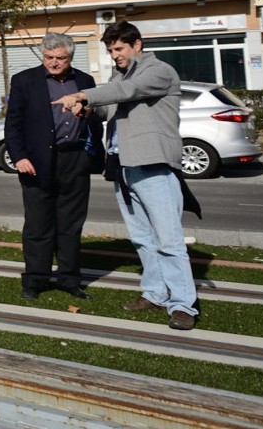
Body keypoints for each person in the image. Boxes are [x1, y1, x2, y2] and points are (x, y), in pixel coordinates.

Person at [54, 22, 198, 331]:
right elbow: (110, 109)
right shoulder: (119, 76)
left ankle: (183, 304)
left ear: (138, 45)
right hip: (123, 165)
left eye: (118, 49)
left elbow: (126, 91)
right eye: (109, 51)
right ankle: (156, 293)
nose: (114, 55)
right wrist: (88, 110)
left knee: (169, 240)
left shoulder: (157, 71)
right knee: (143, 238)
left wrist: (83, 94)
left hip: (153, 164)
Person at [4, 34, 100, 300]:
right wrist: (19, 157)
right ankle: (35, 280)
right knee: (38, 224)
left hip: (75, 159)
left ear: (70, 57)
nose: (54, 63)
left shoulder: (85, 82)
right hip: (36, 163)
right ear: (42, 54)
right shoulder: (24, 81)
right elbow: (13, 125)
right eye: (49, 57)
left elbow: (95, 118)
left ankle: (70, 280)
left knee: (71, 225)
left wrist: (88, 113)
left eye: (60, 58)